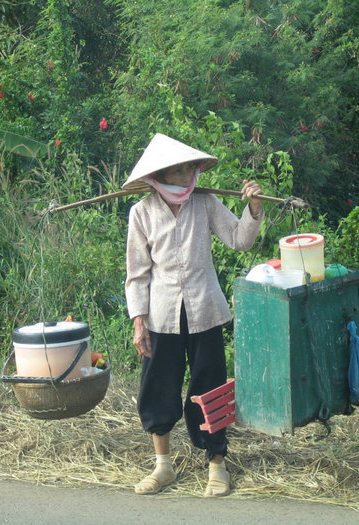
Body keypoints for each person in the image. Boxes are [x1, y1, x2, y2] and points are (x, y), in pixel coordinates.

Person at [124, 133, 264, 497]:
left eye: (191, 168)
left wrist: (253, 210)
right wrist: (139, 321)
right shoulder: (142, 212)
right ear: (161, 175)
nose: (188, 176)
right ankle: (163, 466)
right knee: (158, 388)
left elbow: (239, 239)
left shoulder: (205, 203)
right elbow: (137, 273)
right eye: (180, 170)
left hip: (205, 310)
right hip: (161, 317)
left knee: (211, 388)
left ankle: (217, 464)